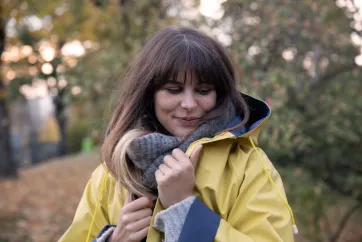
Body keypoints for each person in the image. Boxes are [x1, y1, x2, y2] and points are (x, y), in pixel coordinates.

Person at [59, 26, 297, 242]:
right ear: (149, 93)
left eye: (203, 90)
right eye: (173, 90)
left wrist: (184, 212)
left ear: (220, 94)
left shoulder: (248, 166)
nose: (189, 104)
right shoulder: (113, 171)